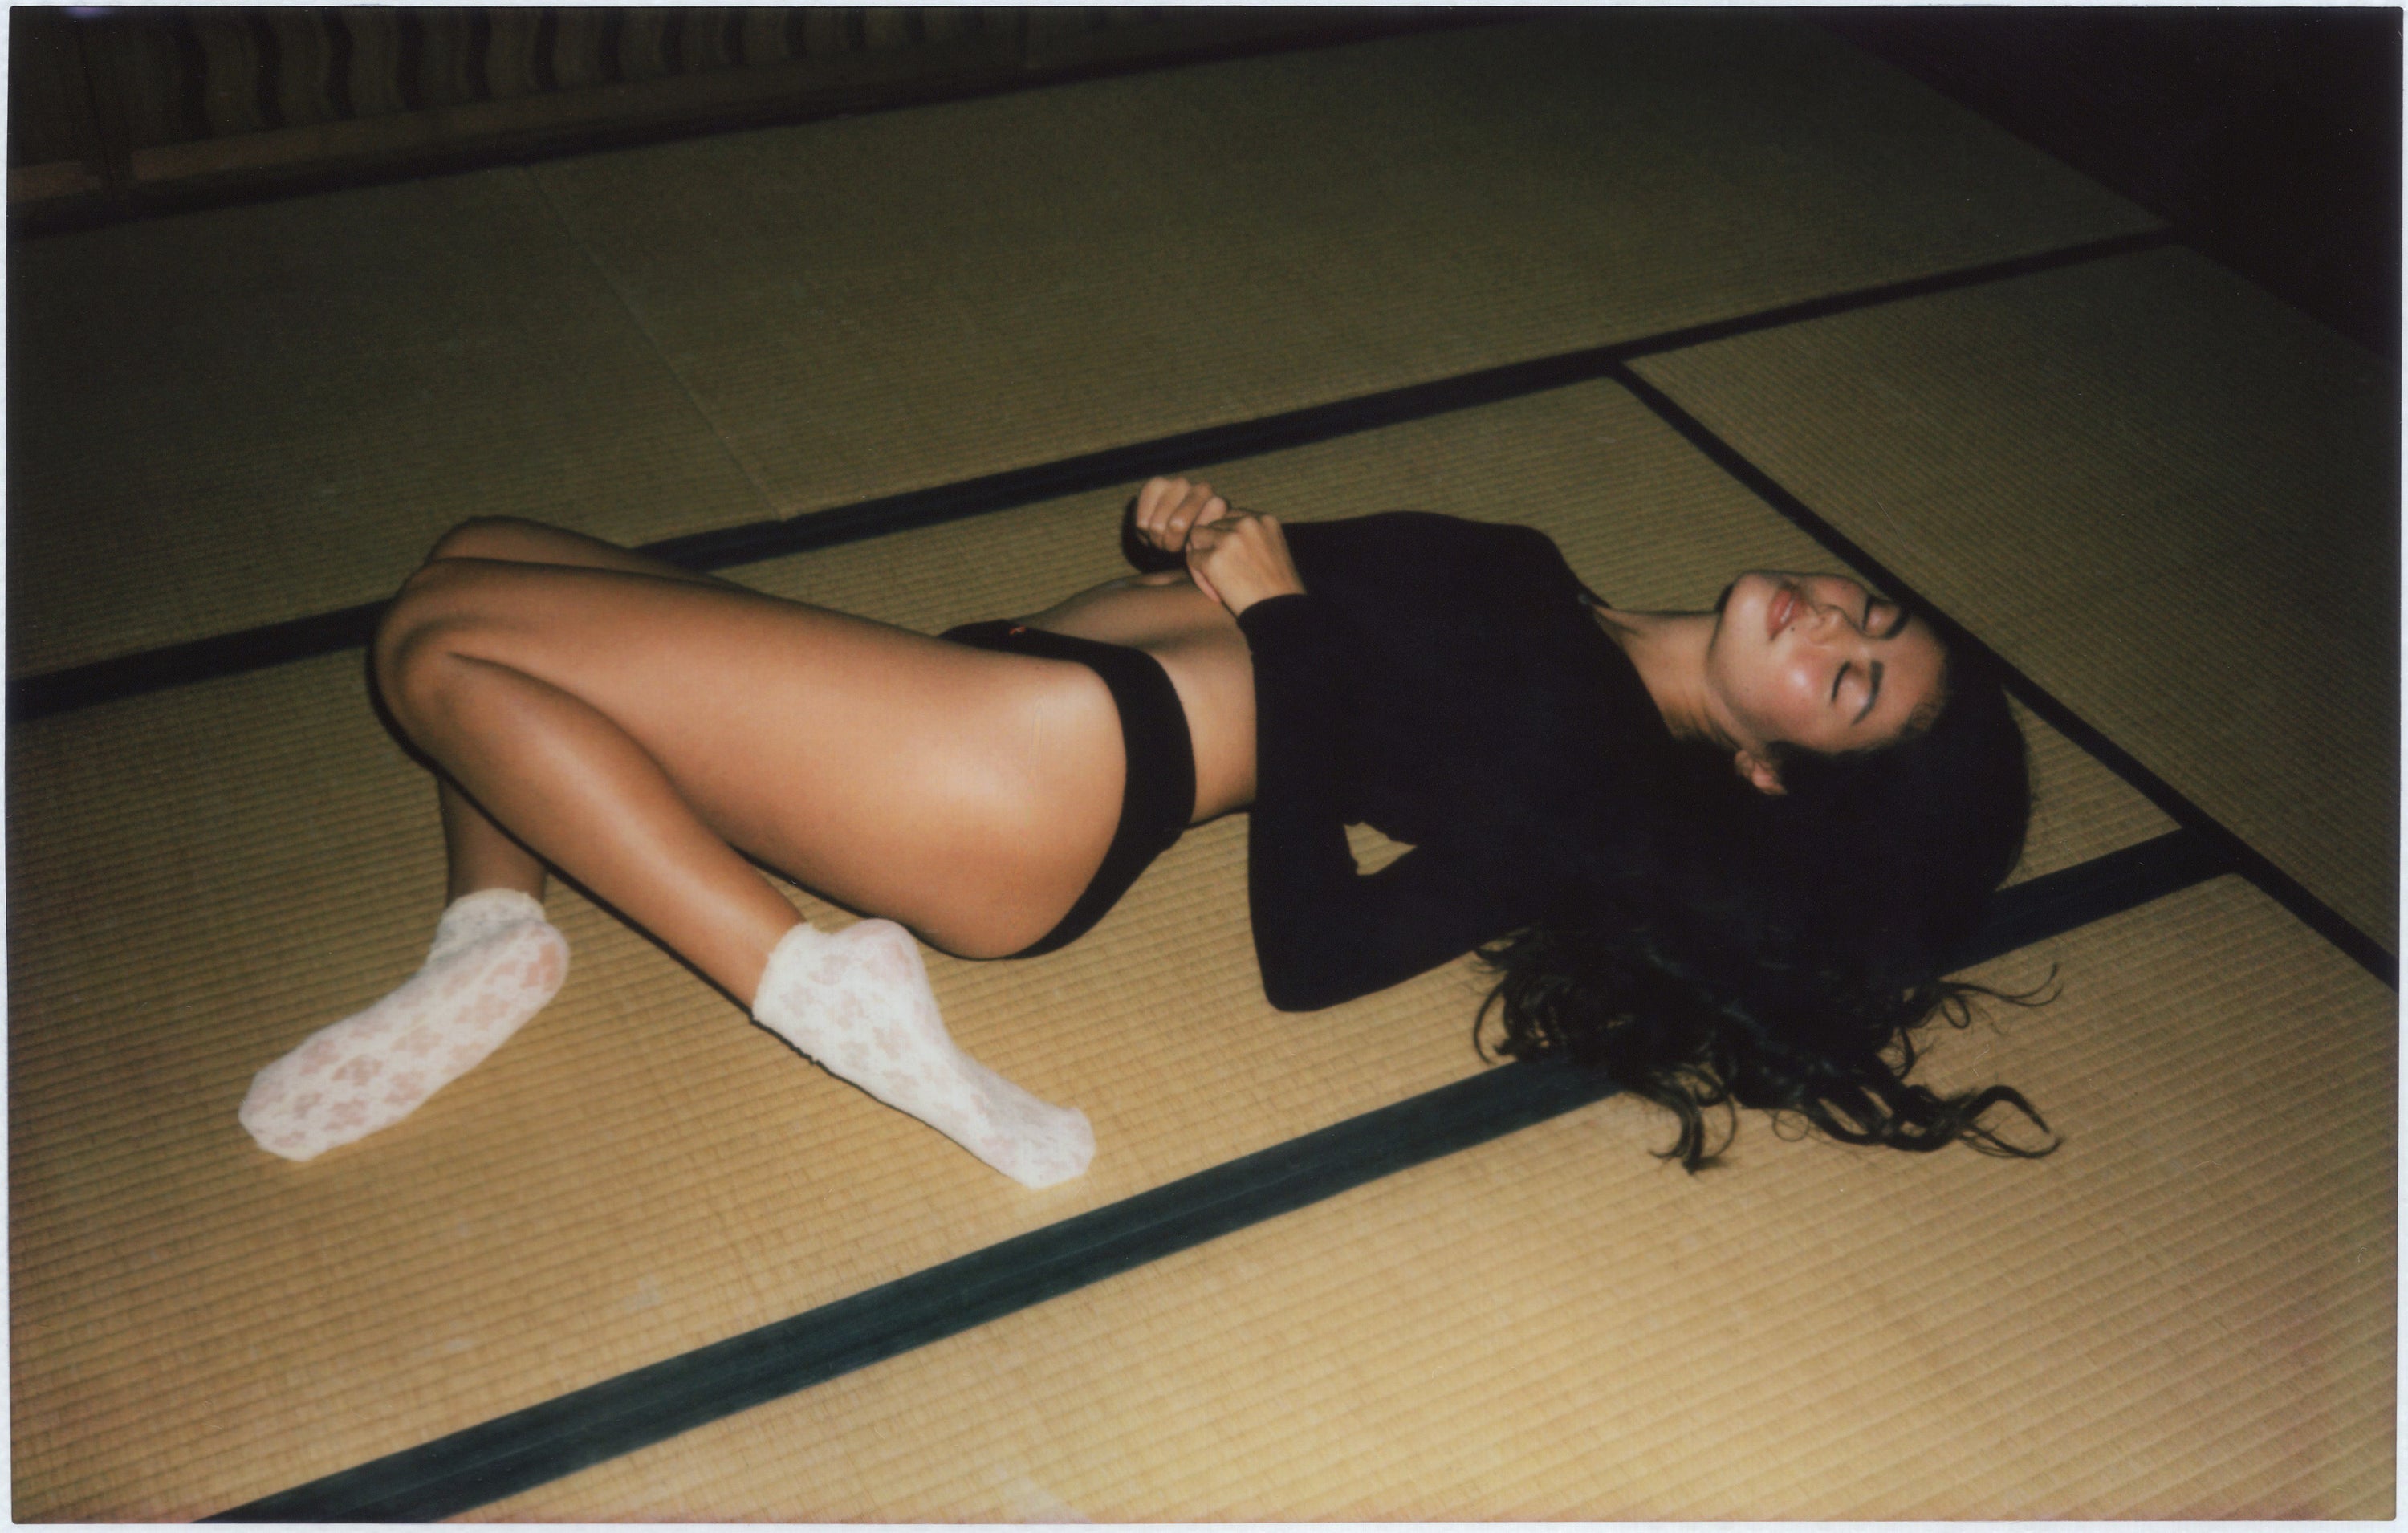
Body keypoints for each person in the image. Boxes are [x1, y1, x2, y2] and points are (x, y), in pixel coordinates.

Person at [238, 476, 2051, 1184]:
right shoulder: (1554, 589)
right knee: (471, 554)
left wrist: (1268, 624)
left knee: (440, 653)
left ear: (1779, 777)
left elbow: (1315, 956)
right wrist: (1197, 542)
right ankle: (495, 939)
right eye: (1863, 614)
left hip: (1037, 775)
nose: (1830, 625)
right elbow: (1324, 615)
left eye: (1852, 685)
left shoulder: (1595, 775)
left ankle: (810, 977)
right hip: (997, 692)